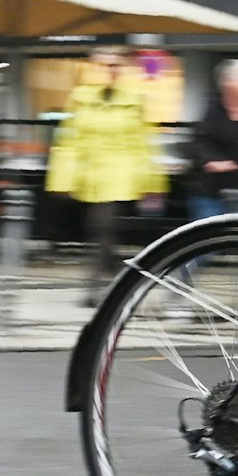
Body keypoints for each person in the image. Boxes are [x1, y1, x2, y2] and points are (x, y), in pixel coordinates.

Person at [46, 46, 168, 305]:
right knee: (98, 231)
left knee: (102, 228)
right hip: (88, 176)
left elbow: (144, 142)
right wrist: (62, 178)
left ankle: (94, 289)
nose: (110, 70)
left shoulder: (134, 98)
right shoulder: (80, 97)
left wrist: (153, 181)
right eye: (104, 65)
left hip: (120, 176)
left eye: (115, 65)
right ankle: (118, 272)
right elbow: (68, 139)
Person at [191, 58, 238, 219]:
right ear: (230, 83)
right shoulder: (214, 110)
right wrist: (213, 160)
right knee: (213, 232)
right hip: (214, 194)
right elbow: (200, 141)